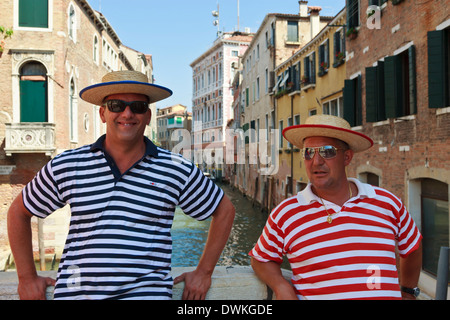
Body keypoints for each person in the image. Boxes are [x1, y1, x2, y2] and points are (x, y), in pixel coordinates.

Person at [7, 70, 235, 300]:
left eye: (137, 106)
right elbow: (18, 212)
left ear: (147, 116)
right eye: (116, 105)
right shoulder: (68, 164)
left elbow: (224, 211)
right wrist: (26, 277)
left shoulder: (175, 168)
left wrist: (204, 272)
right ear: (103, 113)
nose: (127, 113)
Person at [249, 114, 422, 300]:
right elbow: (260, 259)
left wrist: (408, 291)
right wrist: (281, 286)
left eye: (327, 151)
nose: (316, 161)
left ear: (347, 157)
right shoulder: (286, 213)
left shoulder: (387, 203)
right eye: (308, 152)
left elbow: (412, 246)